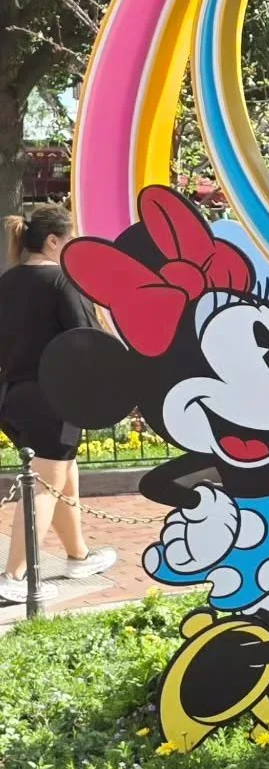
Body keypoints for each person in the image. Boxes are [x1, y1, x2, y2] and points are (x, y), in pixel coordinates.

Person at [0, 206, 117, 602]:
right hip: (55, 398)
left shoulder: (8, 281)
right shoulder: (61, 282)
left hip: (14, 395)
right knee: (46, 485)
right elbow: (88, 339)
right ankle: (14, 578)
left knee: (63, 474)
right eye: (70, 238)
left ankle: (77, 554)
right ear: (53, 241)